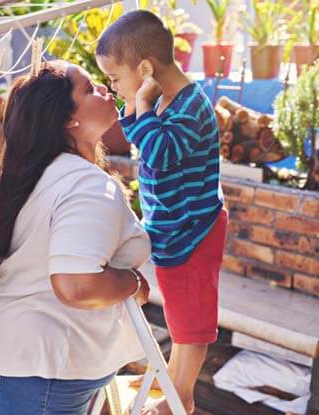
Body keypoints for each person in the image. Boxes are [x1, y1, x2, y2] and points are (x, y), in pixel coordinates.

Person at [0, 60, 152, 415]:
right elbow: (77, 285)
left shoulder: (34, 174)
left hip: (17, 353)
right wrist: (132, 282)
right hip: (42, 366)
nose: (103, 88)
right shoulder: (84, 184)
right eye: (88, 88)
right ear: (68, 119)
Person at [96, 10, 229, 415]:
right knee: (179, 316)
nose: (114, 88)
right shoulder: (170, 104)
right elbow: (149, 148)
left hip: (194, 233)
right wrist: (140, 109)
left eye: (115, 78)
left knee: (191, 325)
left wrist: (140, 107)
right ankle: (173, 383)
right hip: (177, 233)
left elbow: (160, 153)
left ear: (146, 69)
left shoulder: (191, 107)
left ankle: (180, 399)